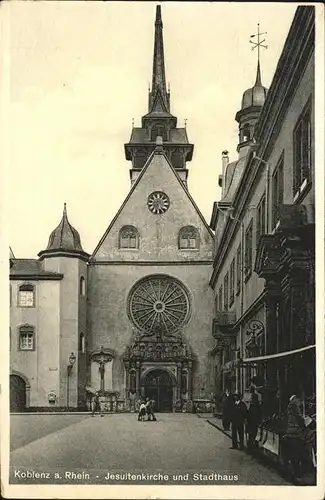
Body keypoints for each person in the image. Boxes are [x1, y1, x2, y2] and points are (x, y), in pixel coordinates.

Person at [281, 391, 307, 482]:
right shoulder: (295, 403)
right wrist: (304, 426)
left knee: (289, 455)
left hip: (289, 432)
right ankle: (297, 475)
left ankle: (289, 474)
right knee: (295, 455)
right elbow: (299, 417)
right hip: (295, 433)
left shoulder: (290, 404)